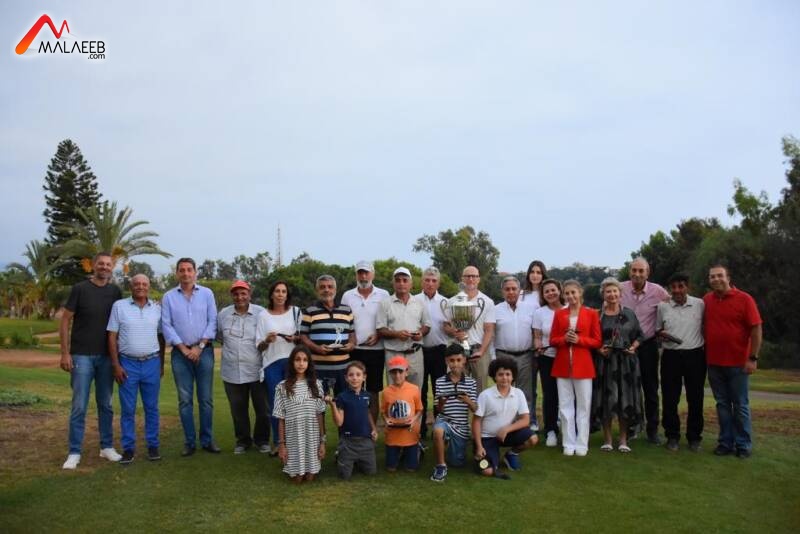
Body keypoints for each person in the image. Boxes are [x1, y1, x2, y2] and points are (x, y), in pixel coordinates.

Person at [60, 251, 123, 469]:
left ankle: (107, 447)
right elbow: (65, 321)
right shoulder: (80, 289)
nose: (104, 267)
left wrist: (118, 358)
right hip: (81, 356)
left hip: (106, 357)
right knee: (79, 405)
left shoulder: (115, 292)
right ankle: (74, 452)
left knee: (106, 404)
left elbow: (119, 323)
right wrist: (65, 353)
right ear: (93, 266)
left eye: (108, 264)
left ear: (112, 267)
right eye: (101, 264)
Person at [161, 257, 220, 456]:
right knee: (185, 400)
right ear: (177, 273)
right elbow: (166, 325)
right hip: (180, 354)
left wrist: (200, 347)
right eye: (182, 270)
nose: (186, 273)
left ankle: (207, 440)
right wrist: (183, 348)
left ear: (195, 272)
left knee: (206, 399)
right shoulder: (169, 297)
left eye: (189, 269)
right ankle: (189, 442)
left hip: (204, 351)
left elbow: (212, 321)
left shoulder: (207, 294)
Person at [703, 264, 762, 459]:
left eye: (719, 275)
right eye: (712, 277)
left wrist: (753, 358)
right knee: (722, 404)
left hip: (738, 363)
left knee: (740, 405)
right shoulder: (707, 300)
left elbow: (756, 329)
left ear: (728, 278)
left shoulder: (744, 299)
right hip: (714, 363)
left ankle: (743, 444)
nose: (716, 279)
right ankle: (725, 442)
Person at [107, 274, 165, 464]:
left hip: (151, 362)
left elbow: (161, 337)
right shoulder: (119, 306)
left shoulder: (157, 308)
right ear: (131, 286)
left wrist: (161, 364)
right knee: (128, 409)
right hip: (127, 364)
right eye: (137, 284)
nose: (141, 287)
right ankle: (128, 448)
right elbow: (112, 336)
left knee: (152, 408)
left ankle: (153, 446)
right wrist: (116, 365)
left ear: (149, 286)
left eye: (144, 284)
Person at [592, 277, 644, 453]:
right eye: (608, 291)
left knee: (625, 400)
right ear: (603, 294)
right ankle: (607, 439)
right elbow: (591, 338)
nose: (612, 294)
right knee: (606, 400)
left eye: (615, 291)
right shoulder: (597, 315)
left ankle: (623, 439)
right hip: (605, 363)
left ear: (620, 293)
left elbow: (640, 335)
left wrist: (633, 347)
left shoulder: (629, 314)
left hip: (626, 363)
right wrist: (599, 349)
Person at [217, 280, 269, 454]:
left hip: (256, 370)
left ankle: (262, 440)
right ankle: (243, 441)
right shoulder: (223, 314)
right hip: (232, 371)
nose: (239, 297)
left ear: (249, 295)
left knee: (263, 409)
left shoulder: (261, 313)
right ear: (232, 295)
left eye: (243, 293)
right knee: (238, 410)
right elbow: (220, 337)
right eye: (236, 294)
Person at [620, 257, 670, 444]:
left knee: (650, 389)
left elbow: (671, 310)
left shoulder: (658, 292)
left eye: (641, 271)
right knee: (628, 389)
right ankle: (631, 428)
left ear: (647, 273)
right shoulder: (620, 289)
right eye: (634, 270)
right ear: (629, 271)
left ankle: (652, 430)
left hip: (648, 345)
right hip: (625, 347)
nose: (637, 274)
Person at [550, 280, 602, 457]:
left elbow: (597, 341)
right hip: (562, 366)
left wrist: (580, 340)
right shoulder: (559, 314)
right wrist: (564, 339)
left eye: (573, 292)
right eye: (567, 293)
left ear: (580, 293)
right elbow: (552, 340)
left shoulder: (591, 314)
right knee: (565, 406)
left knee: (584, 406)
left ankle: (582, 443)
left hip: (584, 366)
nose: (570, 296)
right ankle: (568, 442)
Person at [657, 272, 706, 452]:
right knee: (670, 398)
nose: (677, 290)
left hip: (695, 355)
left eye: (681, 286)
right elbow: (658, 329)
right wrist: (661, 335)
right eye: (673, 287)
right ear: (669, 289)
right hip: (671, 356)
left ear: (687, 287)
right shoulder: (663, 306)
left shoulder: (699, 304)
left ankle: (694, 437)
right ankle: (672, 436)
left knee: (696, 398)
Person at [473, 357, 539, 479]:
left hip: (507, 435)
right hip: (487, 438)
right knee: (487, 471)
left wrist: (506, 429)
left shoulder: (518, 393)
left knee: (533, 439)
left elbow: (526, 420)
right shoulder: (485, 395)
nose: (504, 378)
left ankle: (511, 454)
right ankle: (483, 455)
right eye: (500, 374)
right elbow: (476, 421)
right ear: (494, 376)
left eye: (508, 374)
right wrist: (479, 446)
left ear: (513, 377)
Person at [341, 261, 390, 423]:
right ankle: (355, 427)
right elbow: (344, 322)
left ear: (372, 274)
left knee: (373, 392)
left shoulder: (383, 295)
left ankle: (371, 430)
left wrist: (378, 335)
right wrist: (351, 338)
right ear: (356, 275)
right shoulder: (347, 296)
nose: (363, 276)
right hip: (354, 350)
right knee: (353, 389)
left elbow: (388, 321)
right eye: (360, 273)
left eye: (366, 273)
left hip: (376, 350)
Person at [256, 280, 301, 454]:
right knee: (276, 404)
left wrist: (294, 339)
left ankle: (295, 441)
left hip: (293, 363)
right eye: (277, 291)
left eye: (283, 291)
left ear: (287, 295)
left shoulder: (296, 312)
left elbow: (303, 337)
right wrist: (267, 340)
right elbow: (259, 346)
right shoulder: (263, 316)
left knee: (295, 403)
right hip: (272, 364)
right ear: (271, 294)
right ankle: (278, 442)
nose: (280, 294)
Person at [274, 347, 327, 482]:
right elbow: (281, 418)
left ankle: (311, 464)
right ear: (292, 362)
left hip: (311, 436)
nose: (301, 363)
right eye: (297, 360)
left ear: (309, 363)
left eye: (305, 360)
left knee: (309, 478)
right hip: (294, 437)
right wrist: (282, 445)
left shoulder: (316, 385)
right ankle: (294, 465)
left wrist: (322, 442)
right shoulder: (282, 387)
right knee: (297, 479)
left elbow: (320, 414)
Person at [299, 275, 356, 396]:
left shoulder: (346, 310)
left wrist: (351, 344)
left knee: (342, 401)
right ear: (317, 290)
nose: (326, 290)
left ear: (335, 289)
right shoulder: (310, 311)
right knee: (318, 402)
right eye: (322, 287)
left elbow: (352, 333)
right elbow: (303, 336)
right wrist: (316, 348)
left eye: (330, 287)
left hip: (343, 367)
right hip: (318, 368)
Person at [442, 266, 496, 392]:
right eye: (467, 276)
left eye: (474, 276)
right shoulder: (452, 301)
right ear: (462, 279)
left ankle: (479, 407)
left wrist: (481, 351)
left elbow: (489, 330)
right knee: (457, 388)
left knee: (480, 390)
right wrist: (454, 332)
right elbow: (445, 326)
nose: (471, 279)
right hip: (457, 350)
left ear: (479, 279)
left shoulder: (487, 302)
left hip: (479, 350)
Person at [376, 267, 431, 390]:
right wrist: (396, 334)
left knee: (415, 391)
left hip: (415, 354)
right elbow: (380, 329)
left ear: (411, 283)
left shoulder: (419, 302)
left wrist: (421, 333)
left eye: (405, 280)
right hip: (394, 354)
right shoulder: (385, 303)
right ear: (393, 283)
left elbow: (427, 325)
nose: (401, 283)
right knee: (395, 392)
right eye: (398, 280)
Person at [430, 344, 477, 482]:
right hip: (444, 420)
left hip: (461, 426)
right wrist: (442, 402)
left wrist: (468, 400)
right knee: (438, 430)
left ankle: (449, 447)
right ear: (446, 361)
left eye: (458, 360)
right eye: (451, 360)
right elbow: (438, 410)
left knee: (457, 463)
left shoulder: (471, 383)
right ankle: (440, 465)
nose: (455, 364)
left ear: (464, 361)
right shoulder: (440, 381)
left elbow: (475, 409)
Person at [494, 276, 536, 429]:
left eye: (514, 289)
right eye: (507, 289)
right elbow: (491, 334)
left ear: (520, 290)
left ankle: (526, 424)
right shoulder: (496, 310)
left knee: (526, 392)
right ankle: (506, 424)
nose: (511, 292)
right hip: (503, 355)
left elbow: (535, 332)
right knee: (504, 391)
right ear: (502, 292)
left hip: (526, 355)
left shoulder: (530, 309)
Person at [325, 360, 378, 480]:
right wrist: (333, 406)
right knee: (344, 476)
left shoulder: (367, 396)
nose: (354, 378)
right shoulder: (342, 397)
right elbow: (339, 422)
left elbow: (368, 413)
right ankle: (342, 455)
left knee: (371, 472)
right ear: (346, 378)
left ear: (364, 377)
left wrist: (374, 429)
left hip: (365, 441)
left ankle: (358, 460)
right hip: (348, 442)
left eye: (358, 375)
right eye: (351, 375)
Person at [414, 266, 450, 440]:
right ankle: (420, 429)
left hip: (439, 351)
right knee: (420, 391)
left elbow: (450, 326)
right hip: (419, 350)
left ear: (438, 283)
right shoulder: (414, 300)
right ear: (422, 282)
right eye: (427, 280)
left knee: (440, 392)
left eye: (433, 280)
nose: (430, 283)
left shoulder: (446, 303)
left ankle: (439, 429)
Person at [533, 278, 565, 447]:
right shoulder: (540, 313)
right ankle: (551, 430)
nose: (550, 293)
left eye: (553, 290)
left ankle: (568, 429)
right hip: (547, 358)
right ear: (543, 295)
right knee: (550, 395)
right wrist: (538, 346)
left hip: (567, 357)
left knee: (567, 395)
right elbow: (537, 336)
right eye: (546, 291)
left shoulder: (569, 309)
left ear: (559, 290)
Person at [382, 355, 424, 472]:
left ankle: (416, 449)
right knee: (391, 468)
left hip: (409, 433)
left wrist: (414, 420)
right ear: (390, 373)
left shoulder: (414, 389)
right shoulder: (386, 392)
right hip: (393, 433)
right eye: (394, 372)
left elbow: (420, 409)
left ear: (406, 372)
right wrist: (386, 419)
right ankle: (398, 453)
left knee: (411, 469)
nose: (397, 375)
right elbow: (383, 411)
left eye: (400, 372)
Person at [520, 260, 546, 429]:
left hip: (546, 346)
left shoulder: (547, 293)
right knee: (529, 388)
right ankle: (531, 420)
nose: (535, 275)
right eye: (532, 271)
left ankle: (552, 420)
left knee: (548, 386)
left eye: (539, 272)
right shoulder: (522, 295)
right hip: (528, 346)